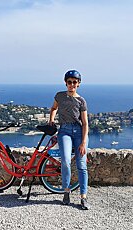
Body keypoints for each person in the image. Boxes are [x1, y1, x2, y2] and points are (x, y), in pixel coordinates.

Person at [49, 69, 90, 210]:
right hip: (64, 130)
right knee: (66, 160)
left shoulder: (81, 101)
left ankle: (83, 197)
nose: (72, 84)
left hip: (79, 132)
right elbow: (54, 108)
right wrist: (51, 119)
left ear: (78, 84)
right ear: (65, 83)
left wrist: (83, 142)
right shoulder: (59, 96)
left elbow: (85, 123)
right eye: (69, 82)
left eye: (74, 82)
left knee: (81, 165)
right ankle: (66, 191)